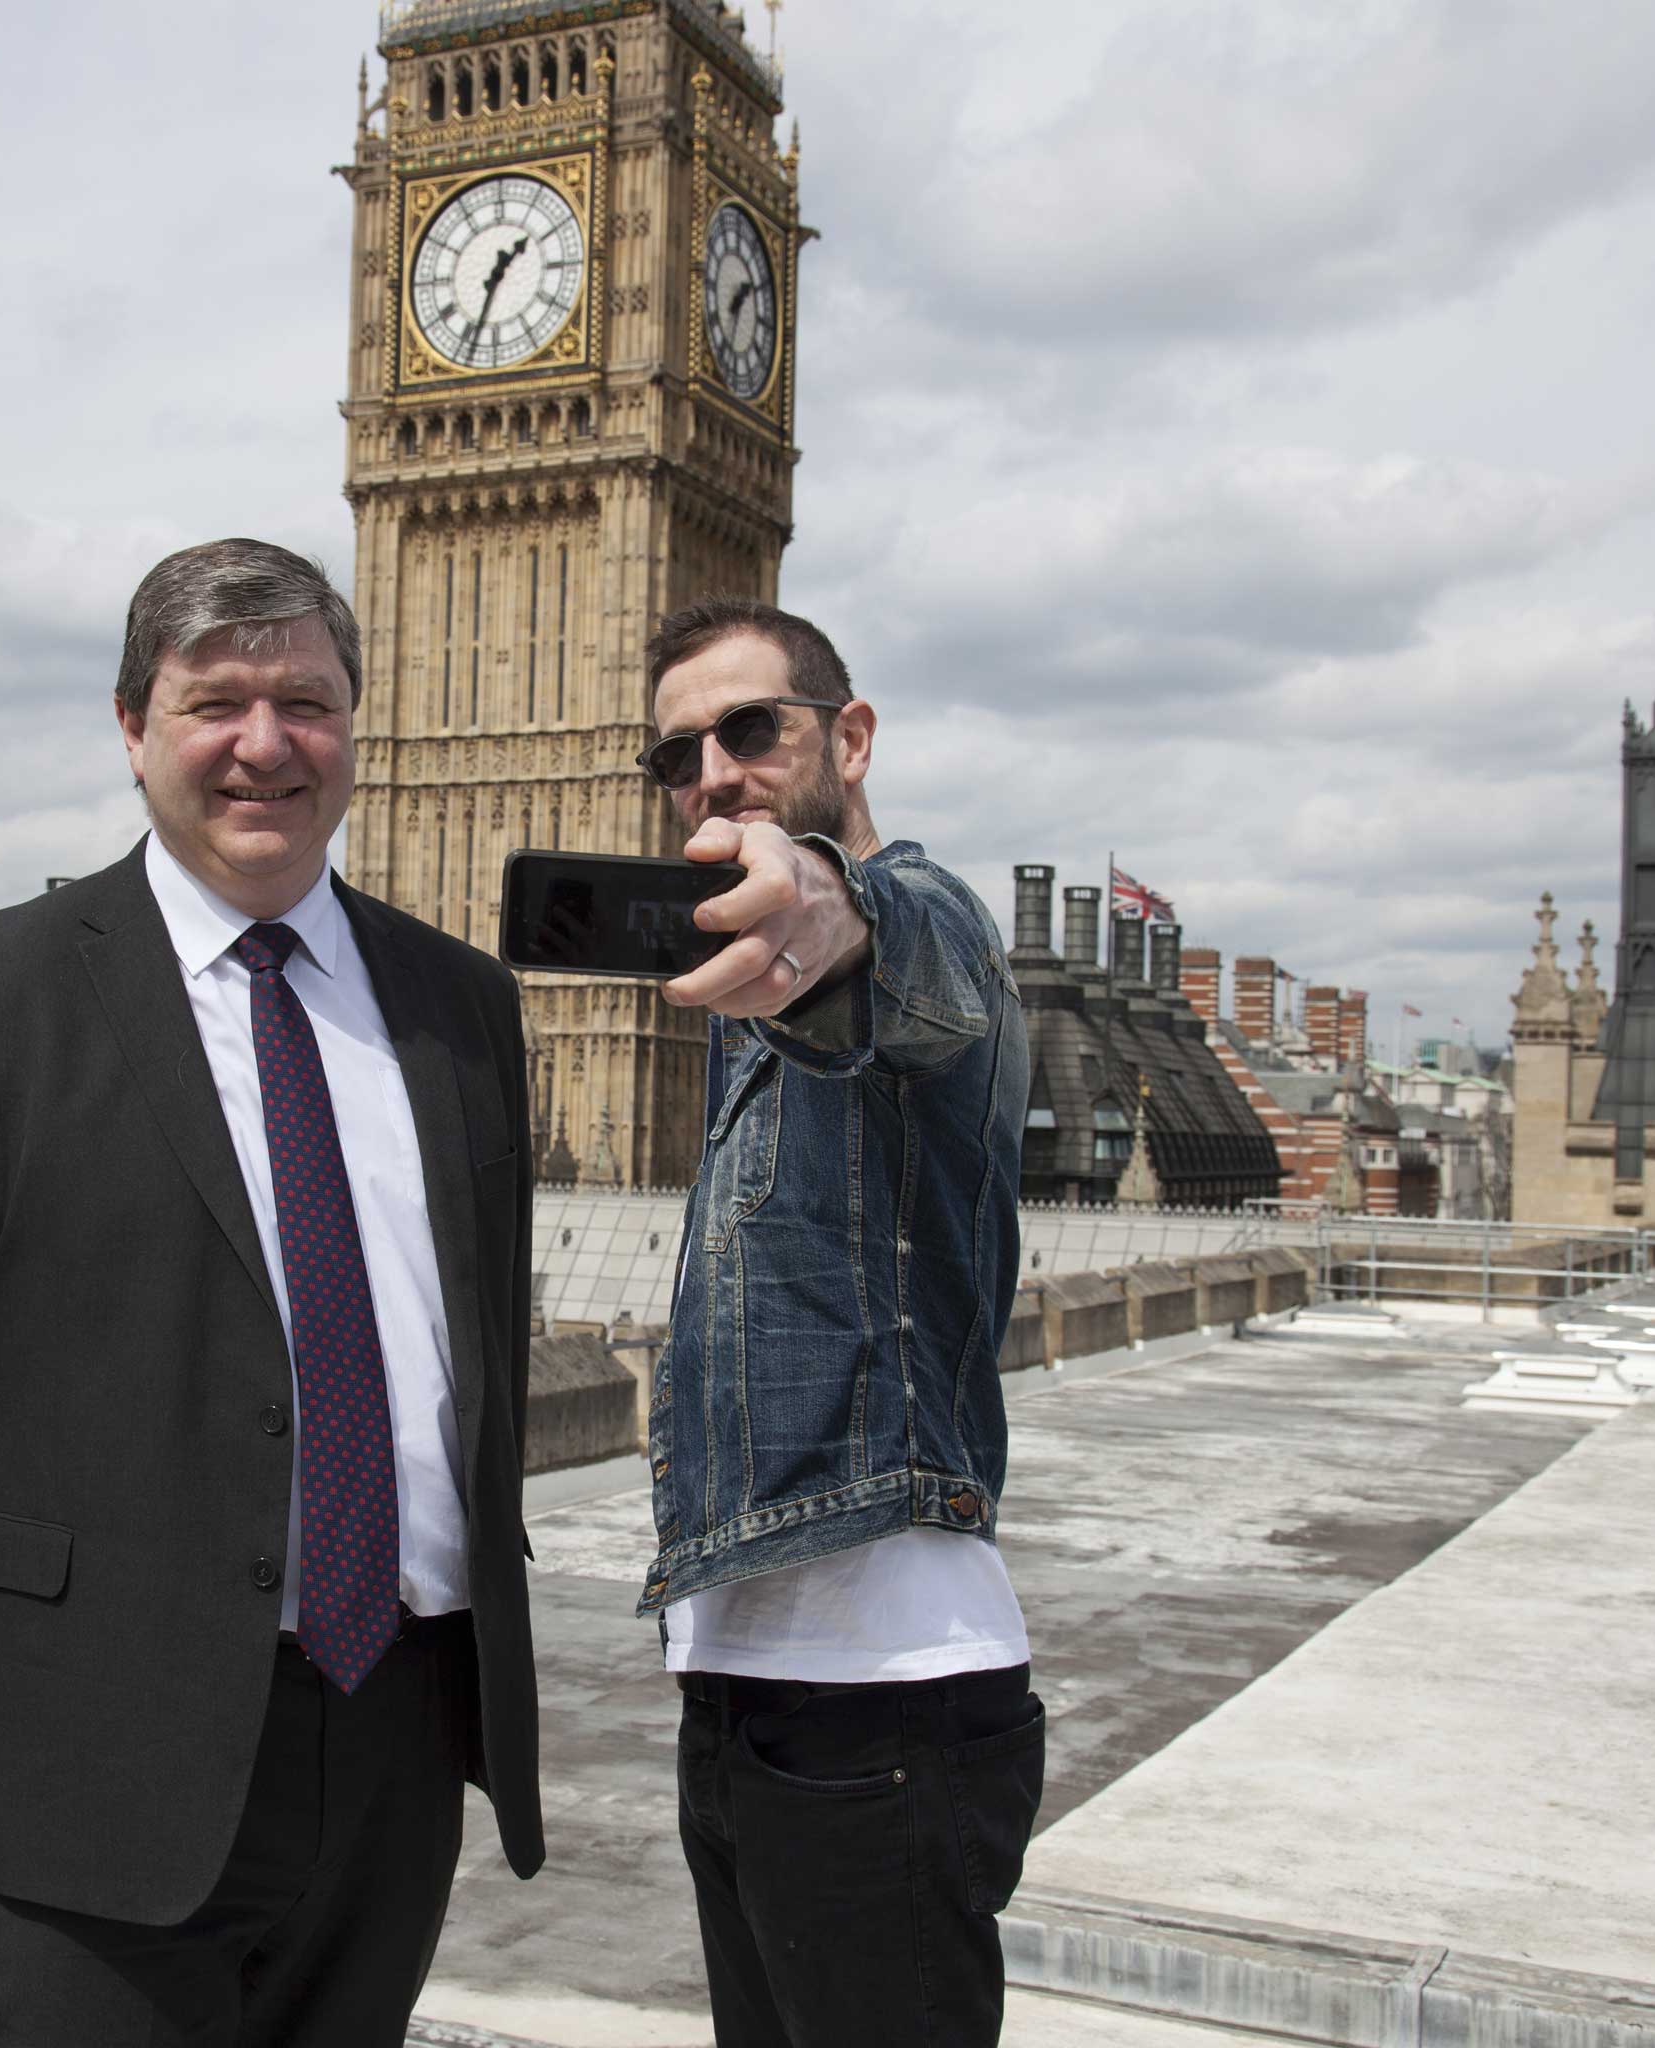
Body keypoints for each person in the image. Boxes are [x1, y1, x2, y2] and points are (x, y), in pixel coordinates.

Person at [0, 539, 544, 2047]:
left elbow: (472, 1366)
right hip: (99, 1744)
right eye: (217, 703)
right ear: (134, 726)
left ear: (357, 731)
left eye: (309, 704)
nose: (265, 745)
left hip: (397, 1729)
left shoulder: (460, 1002)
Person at [632, 596, 1044, 2046]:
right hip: (743, 1674)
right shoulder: (738, 1006)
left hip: (887, 1703)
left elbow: (903, 937)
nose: (714, 772)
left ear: (849, 737)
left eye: (753, 729)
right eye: (676, 754)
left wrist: (823, 898)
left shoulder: (924, 937)